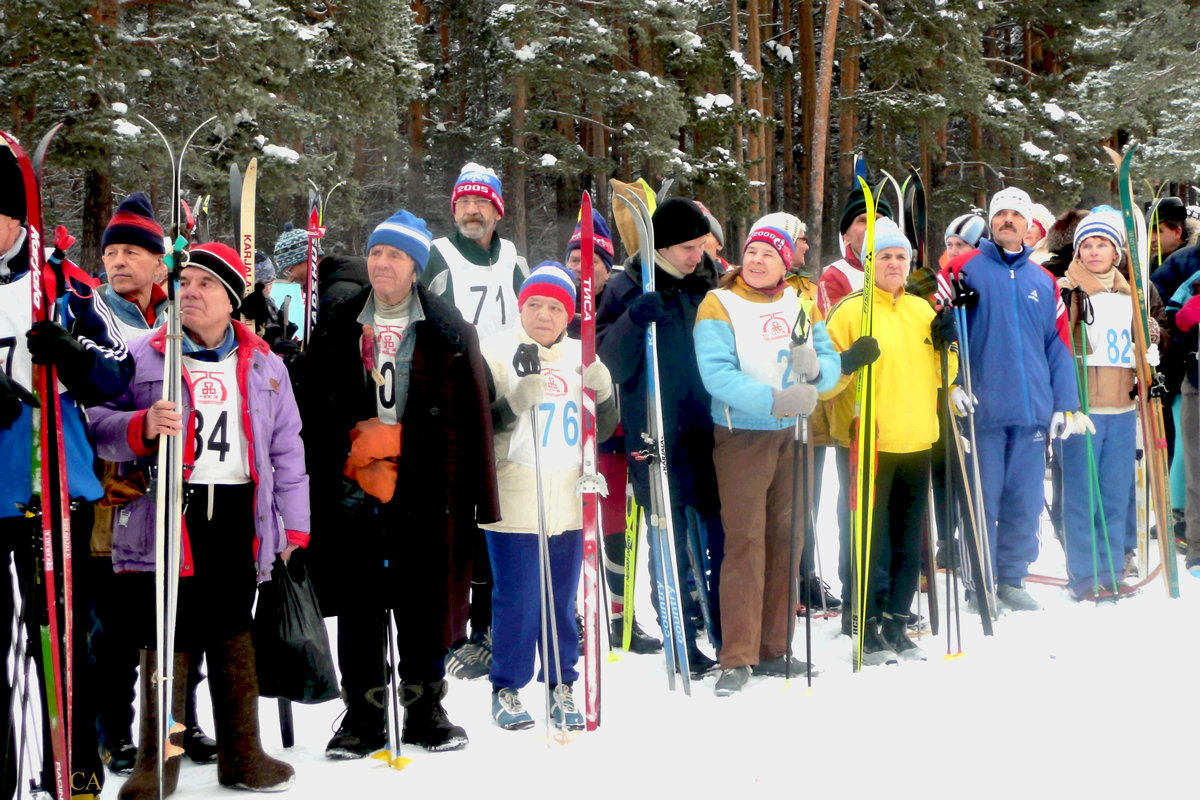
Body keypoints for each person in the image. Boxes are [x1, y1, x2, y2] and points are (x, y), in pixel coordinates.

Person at [88, 242, 303, 798]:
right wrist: (140, 425)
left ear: (231, 299)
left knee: (233, 630)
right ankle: (159, 765)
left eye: (205, 284)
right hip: (168, 509)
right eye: (183, 282)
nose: (189, 293)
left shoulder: (264, 363)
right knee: (168, 636)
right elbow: (98, 421)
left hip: (237, 513)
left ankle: (242, 754)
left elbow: (288, 452)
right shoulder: (145, 353)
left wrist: (294, 527)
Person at [295, 209, 500, 758]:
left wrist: (476, 496)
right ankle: (362, 712)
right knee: (361, 598)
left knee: (422, 597)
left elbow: (472, 416)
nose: (382, 263)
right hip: (352, 484)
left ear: (416, 267)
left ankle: (425, 706)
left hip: (425, 488)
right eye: (377, 252)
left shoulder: (449, 327)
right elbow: (311, 407)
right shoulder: (338, 322)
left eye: (396, 255)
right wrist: (345, 452)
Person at [1, 141, 132, 800]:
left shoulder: (61, 284)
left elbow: (117, 374)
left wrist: (70, 359)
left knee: (60, 633)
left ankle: (74, 762)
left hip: (51, 485)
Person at [90, 194, 218, 776]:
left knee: (179, 616)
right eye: (112, 251)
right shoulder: (89, 312)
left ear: (158, 260)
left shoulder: (178, 313)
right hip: (109, 490)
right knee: (116, 624)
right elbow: (84, 406)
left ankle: (177, 726)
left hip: (178, 491)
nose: (120, 261)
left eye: (133, 252)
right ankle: (114, 732)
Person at [694, 215, 840, 695]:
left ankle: (774, 646)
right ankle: (737, 654)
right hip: (743, 435)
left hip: (793, 436)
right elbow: (717, 374)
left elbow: (829, 361)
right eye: (753, 251)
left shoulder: (800, 303)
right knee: (745, 541)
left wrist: (817, 373)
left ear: (784, 263)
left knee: (788, 537)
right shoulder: (720, 303)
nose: (758, 260)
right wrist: (774, 400)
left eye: (769, 254)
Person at [478, 262, 618, 728]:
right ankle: (507, 686)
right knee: (517, 597)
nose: (543, 314)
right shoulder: (496, 352)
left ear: (569, 314)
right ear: (521, 307)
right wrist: (514, 403)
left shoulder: (584, 355)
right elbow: (477, 426)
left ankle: (562, 683)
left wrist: (605, 394)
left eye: (554, 306)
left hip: (568, 496)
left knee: (561, 599)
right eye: (534, 304)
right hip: (515, 492)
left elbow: (609, 428)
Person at [935, 186, 1080, 613]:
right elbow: (934, 332)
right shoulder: (963, 269)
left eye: (1016, 215)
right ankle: (979, 579)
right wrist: (952, 384)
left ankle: (1012, 576)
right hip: (982, 409)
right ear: (991, 222)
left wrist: (1063, 403)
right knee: (983, 499)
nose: (1008, 221)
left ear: (1027, 224)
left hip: (1031, 410)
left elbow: (1058, 345)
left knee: (1025, 499)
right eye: (1001, 215)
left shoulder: (1044, 280)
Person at [597, 195, 724, 676]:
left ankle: (722, 629)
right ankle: (679, 634)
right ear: (664, 247)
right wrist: (633, 320)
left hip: (707, 425)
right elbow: (608, 361)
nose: (699, 256)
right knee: (667, 535)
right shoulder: (628, 286)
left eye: (702, 245)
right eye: (689, 248)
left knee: (713, 531)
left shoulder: (706, 284)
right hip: (654, 429)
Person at [823, 217, 957, 662]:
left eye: (901, 256)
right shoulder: (850, 312)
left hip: (918, 439)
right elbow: (825, 386)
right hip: (869, 442)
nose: (895, 263)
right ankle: (866, 623)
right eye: (884, 256)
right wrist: (846, 362)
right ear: (868, 262)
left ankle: (899, 622)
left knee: (908, 539)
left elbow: (945, 378)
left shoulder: (923, 311)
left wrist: (949, 345)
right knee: (869, 540)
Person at [422, 162, 529, 678]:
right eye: (463, 201)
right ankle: (448, 631)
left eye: (481, 202)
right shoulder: (437, 255)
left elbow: (534, 318)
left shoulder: (511, 259)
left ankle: (489, 628)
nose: (471, 209)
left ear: (496, 209)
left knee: (496, 514)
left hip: (505, 399)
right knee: (453, 524)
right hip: (452, 399)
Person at [562, 209, 662, 653]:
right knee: (571, 532)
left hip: (619, 437)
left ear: (608, 266)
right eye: (574, 260)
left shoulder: (623, 299)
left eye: (593, 261)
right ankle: (572, 616)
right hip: (568, 443)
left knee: (618, 532)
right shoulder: (554, 308)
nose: (584, 269)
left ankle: (621, 618)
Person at [1055, 207, 1138, 601]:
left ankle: (1111, 569)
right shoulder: (1068, 288)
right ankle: (1085, 575)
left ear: (1116, 250)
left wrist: (1151, 342)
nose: (1092, 251)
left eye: (1101, 243)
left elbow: (1140, 345)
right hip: (1083, 410)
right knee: (1082, 495)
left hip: (1122, 407)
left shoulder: (1129, 292)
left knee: (1115, 493)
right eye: (1086, 244)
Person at [816, 185, 894, 314]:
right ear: (846, 237)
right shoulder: (835, 276)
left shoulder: (901, 268)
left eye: (877, 220)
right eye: (862, 221)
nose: (871, 227)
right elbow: (833, 329)